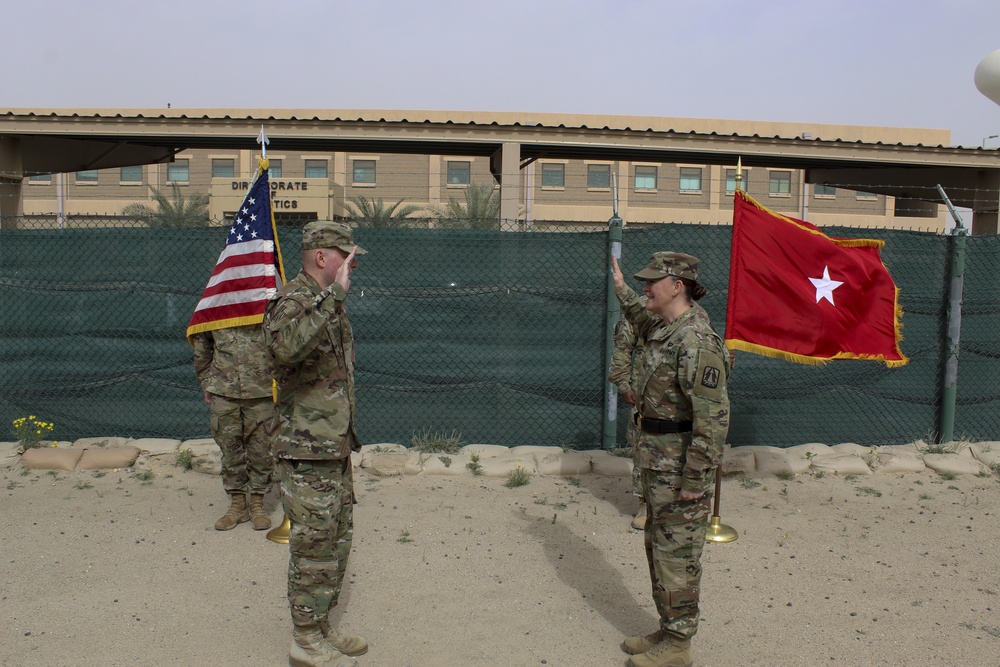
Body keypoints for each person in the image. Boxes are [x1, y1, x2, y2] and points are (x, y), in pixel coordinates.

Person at [610, 251, 731, 667]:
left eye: (651, 282)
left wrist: (695, 480)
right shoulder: (667, 329)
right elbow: (640, 320)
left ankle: (679, 645)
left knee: (677, 555)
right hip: (657, 463)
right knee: (659, 550)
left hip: (680, 468)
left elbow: (713, 421)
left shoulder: (695, 340)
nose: (646, 287)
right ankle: (668, 628)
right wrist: (624, 291)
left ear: (677, 286)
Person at [263, 221, 368, 667]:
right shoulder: (293, 300)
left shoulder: (326, 303)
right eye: (345, 254)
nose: (353, 262)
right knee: (312, 544)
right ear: (321, 256)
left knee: (337, 539)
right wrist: (335, 297)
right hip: (305, 450)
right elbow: (286, 349)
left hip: (332, 446)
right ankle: (304, 638)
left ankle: (322, 625)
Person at [192, 325, 276, 531]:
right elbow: (203, 346)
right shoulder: (217, 304)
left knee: (261, 450)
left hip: (262, 388)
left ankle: (257, 502)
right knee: (230, 449)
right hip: (224, 389)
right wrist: (206, 383)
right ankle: (238, 504)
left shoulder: (265, 297)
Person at [609, 316, 648, 529]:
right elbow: (622, 349)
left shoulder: (694, 311)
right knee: (642, 446)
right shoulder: (639, 310)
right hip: (645, 391)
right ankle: (645, 503)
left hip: (681, 392)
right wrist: (624, 384)